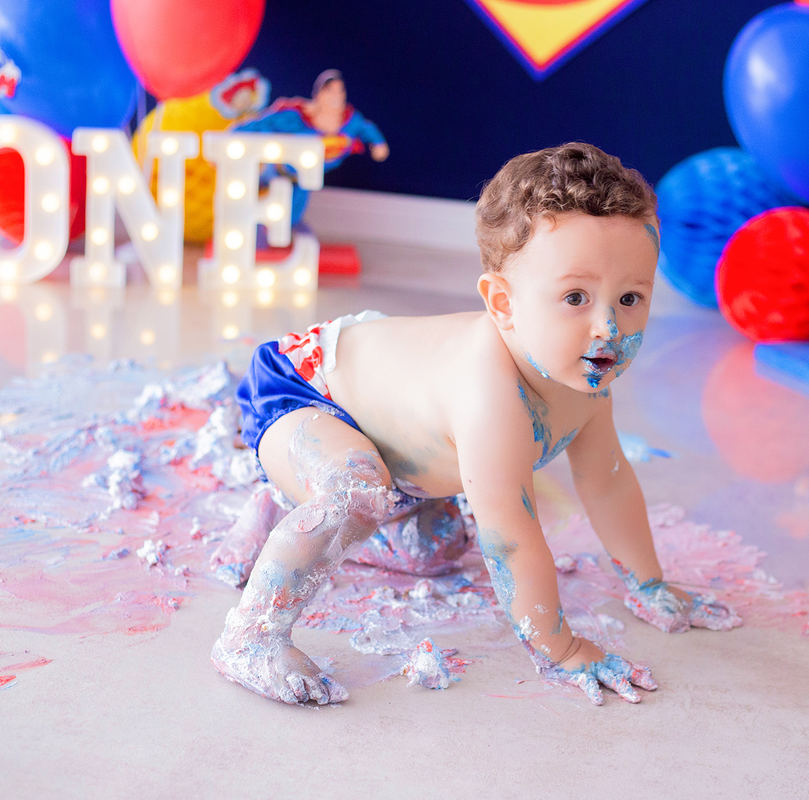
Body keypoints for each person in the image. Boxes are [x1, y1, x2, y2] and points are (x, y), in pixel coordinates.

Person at [211, 143, 738, 707]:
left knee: (436, 550)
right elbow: (509, 537)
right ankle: (252, 635)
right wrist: (557, 647)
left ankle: (281, 512)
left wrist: (648, 581)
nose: (607, 327)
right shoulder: (491, 393)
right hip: (307, 390)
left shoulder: (585, 376)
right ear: (503, 304)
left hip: (398, 443)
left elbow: (606, 481)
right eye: (576, 298)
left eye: (630, 298)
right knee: (354, 489)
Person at [234, 69, 388, 225]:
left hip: (305, 177)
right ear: (319, 95)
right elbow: (265, 122)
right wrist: (236, 134)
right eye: (329, 91)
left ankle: (282, 232)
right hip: (278, 169)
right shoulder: (297, 117)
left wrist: (378, 143)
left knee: (291, 213)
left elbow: (366, 129)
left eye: (339, 91)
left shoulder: (350, 122)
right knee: (255, 193)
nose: (335, 96)